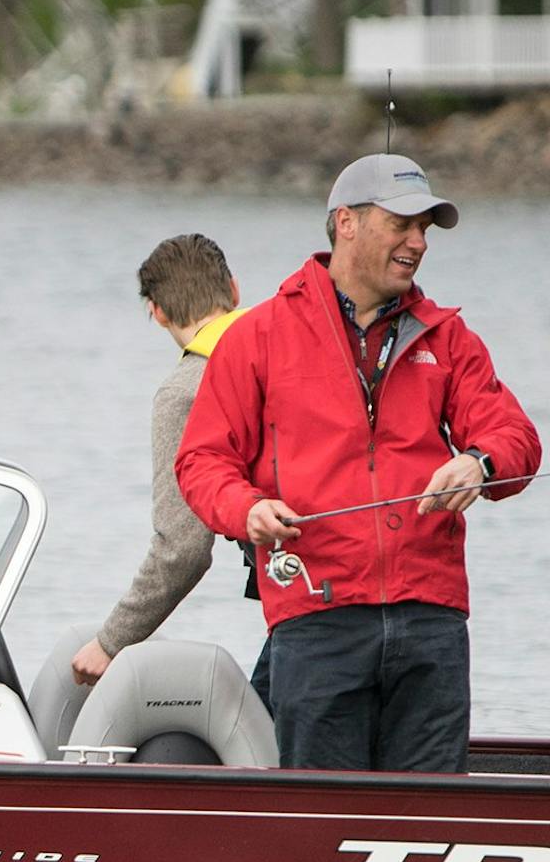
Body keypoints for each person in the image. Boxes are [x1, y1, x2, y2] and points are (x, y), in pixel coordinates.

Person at [175, 154, 539, 771]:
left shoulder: (448, 336)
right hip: (317, 616)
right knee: (322, 820)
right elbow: (203, 461)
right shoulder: (258, 336)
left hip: (432, 618)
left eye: (425, 228)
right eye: (402, 225)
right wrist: (248, 508)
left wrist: (479, 461)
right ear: (346, 222)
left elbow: (517, 439)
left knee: (430, 824)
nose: (418, 242)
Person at [72, 234, 249, 687]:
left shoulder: (186, 392)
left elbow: (183, 548)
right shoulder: (293, 346)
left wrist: (111, 642)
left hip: (316, 607)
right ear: (234, 290)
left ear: (158, 313)